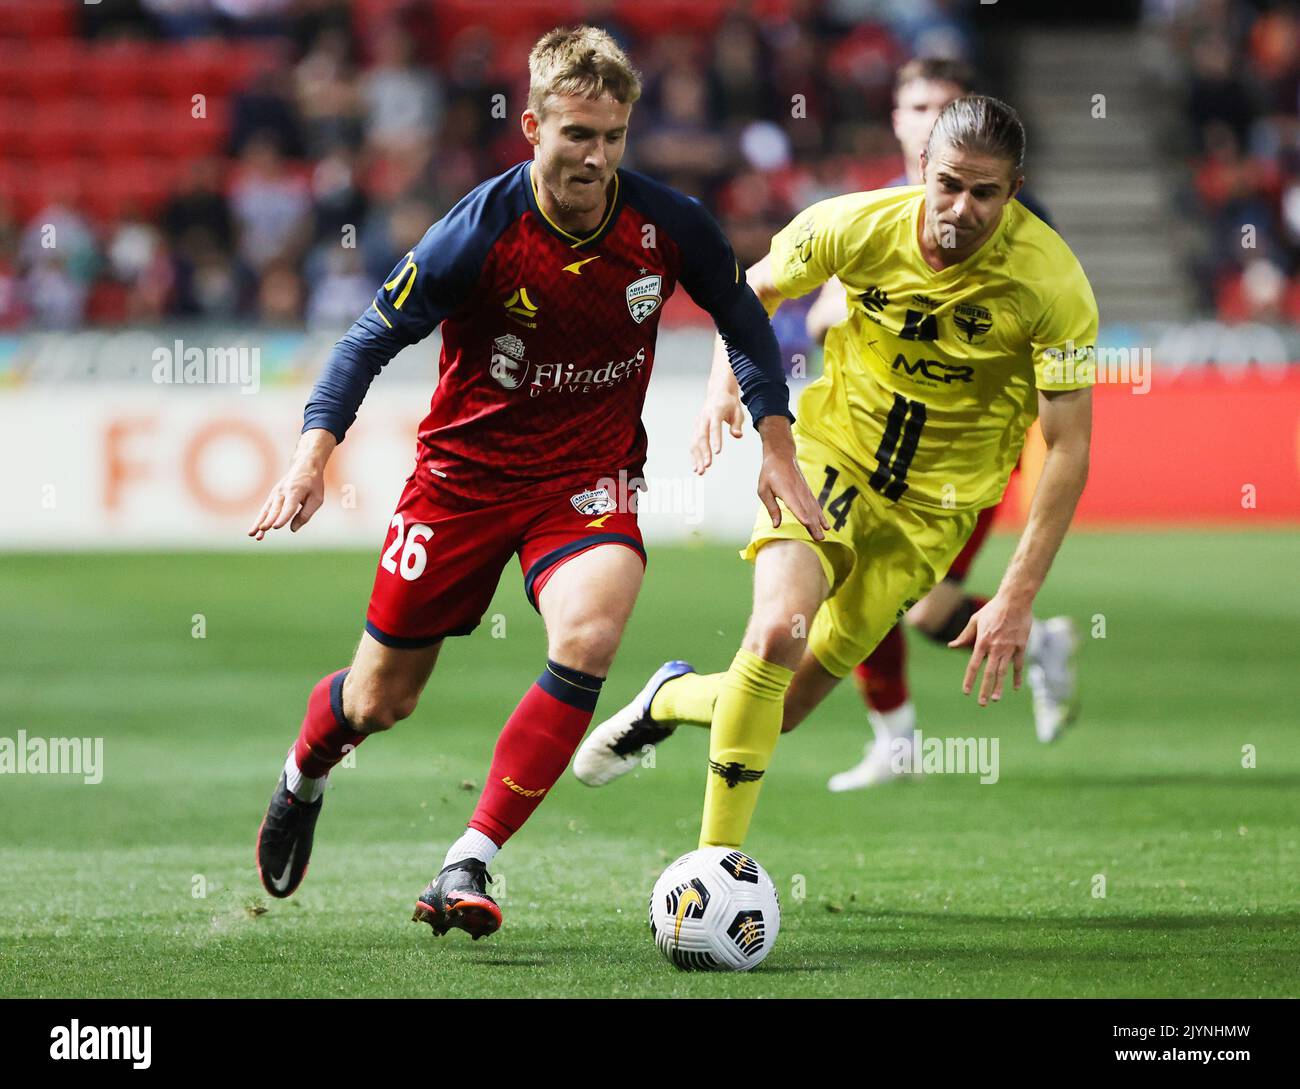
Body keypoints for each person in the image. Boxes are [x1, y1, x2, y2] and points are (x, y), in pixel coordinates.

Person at [248, 25, 825, 939]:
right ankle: (305, 770)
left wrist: (777, 444)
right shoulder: (474, 235)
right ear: (532, 126)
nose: (596, 158)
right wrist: (311, 455)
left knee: (592, 631)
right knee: (380, 701)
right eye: (576, 136)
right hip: (462, 482)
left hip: (586, 477)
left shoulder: (667, 225)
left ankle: (468, 859)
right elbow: (366, 340)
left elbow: (744, 318)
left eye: (612, 138)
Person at [574, 96, 1097, 855]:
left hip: (929, 516)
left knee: (779, 708)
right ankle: (715, 866)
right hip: (829, 457)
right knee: (776, 631)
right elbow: (750, 289)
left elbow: (1069, 448)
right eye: (949, 183)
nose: (962, 207)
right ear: (922, 169)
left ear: (1013, 192)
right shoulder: (854, 225)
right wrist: (727, 384)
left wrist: (1016, 597)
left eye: (986, 192)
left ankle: (671, 695)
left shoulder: (1051, 283)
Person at [802, 59, 1078, 792]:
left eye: (946, 105)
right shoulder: (875, 213)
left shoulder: (1020, 224)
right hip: (879, 437)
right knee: (888, 595)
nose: (930, 116)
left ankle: (909, 726)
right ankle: (903, 732)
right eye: (918, 104)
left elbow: (1047, 332)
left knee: (899, 597)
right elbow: (812, 306)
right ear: (898, 121)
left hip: (964, 453)